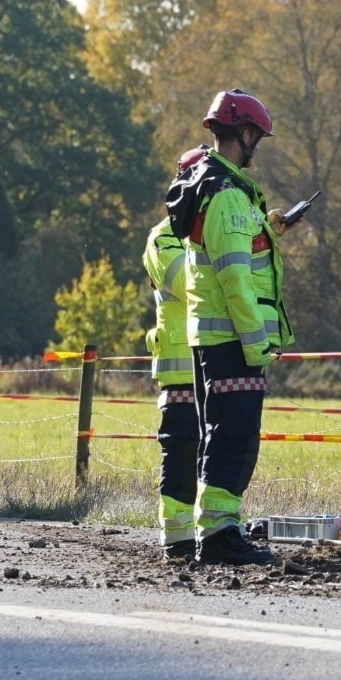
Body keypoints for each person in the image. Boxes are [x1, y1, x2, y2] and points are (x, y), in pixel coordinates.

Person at [167, 88, 299, 566]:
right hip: (233, 341)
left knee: (225, 436)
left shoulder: (228, 194)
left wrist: (273, 225)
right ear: (242, 133)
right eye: (256, 137)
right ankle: (220, 538)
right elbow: (234, 275)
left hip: (225, 339)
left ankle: (220, 530)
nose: (257, 146)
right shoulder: (224, 195)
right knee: (233, 439)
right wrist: (257, 340)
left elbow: (245, 247)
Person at [143, 146, 208, 561]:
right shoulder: (163, 237)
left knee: (216, 456)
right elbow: (188, 281)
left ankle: (211, 533)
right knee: (182, 452)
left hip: (217, 364)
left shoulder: (213, 235)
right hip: (183, 369)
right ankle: (178, 540)